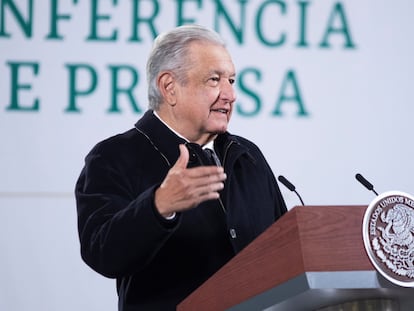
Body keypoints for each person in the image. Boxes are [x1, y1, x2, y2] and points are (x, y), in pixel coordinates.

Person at [75, 24, 287, 310]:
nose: (230, 94)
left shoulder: (247, 155)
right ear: (169, 87)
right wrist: (158, 206)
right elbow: (102, 252)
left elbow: (284, 251)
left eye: (232, 81)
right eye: (214, 80)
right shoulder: (113, 156)